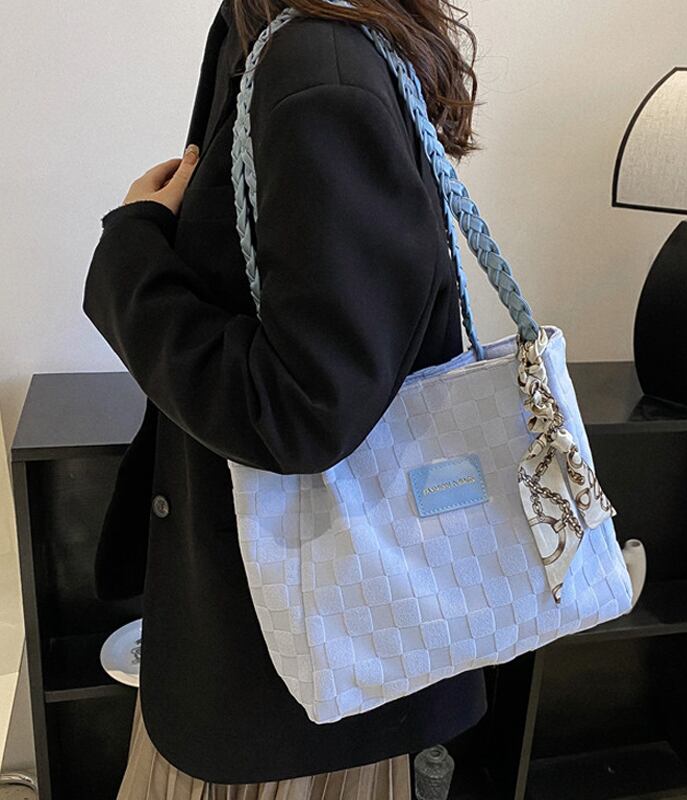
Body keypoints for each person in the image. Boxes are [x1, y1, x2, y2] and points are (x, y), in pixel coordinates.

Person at [83, 0, 488, 796]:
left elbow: (301, 410)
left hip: (291, 693)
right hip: (286, 648)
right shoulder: (270, 34)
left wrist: (131, 253)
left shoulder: (314, 67)